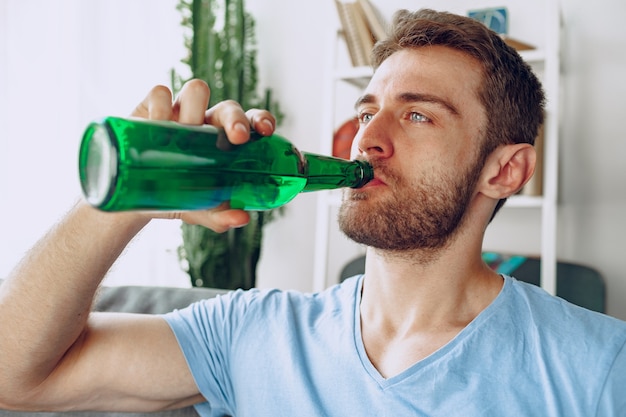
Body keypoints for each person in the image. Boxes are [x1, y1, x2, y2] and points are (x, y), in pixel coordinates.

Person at [1, 8, 625, 416]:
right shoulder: (250, 334)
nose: (365, 140)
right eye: (365, 111)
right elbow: (16, 377)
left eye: (417, 115)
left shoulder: (597, 367)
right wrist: (125, 201)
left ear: (505, 169)